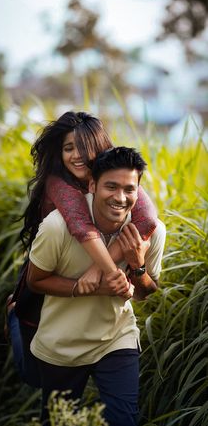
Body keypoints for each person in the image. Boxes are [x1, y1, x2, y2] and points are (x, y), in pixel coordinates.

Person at [6, 111, 157, 387]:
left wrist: (98, 270)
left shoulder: (116, 176)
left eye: (85, 147)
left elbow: (147, 218)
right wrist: (110, 272)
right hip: (46, 270)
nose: (77, 155)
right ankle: (14, 314)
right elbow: (80, 224)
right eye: (68, 148)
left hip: (87, 271)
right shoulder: (58, 183)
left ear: (100, 148)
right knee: (33, 375)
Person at [27, 146, 166, 426]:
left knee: (124, 420)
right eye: (111, 187)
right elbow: (35, 281)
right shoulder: (57, 227)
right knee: (57, 422)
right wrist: (82, 286)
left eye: (129, 189)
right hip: (61, 344)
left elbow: (145, 293)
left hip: (116, 338)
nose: (120, 197)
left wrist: (137, 267)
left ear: (139, 191)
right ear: (92, 184)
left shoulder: (152, 230)